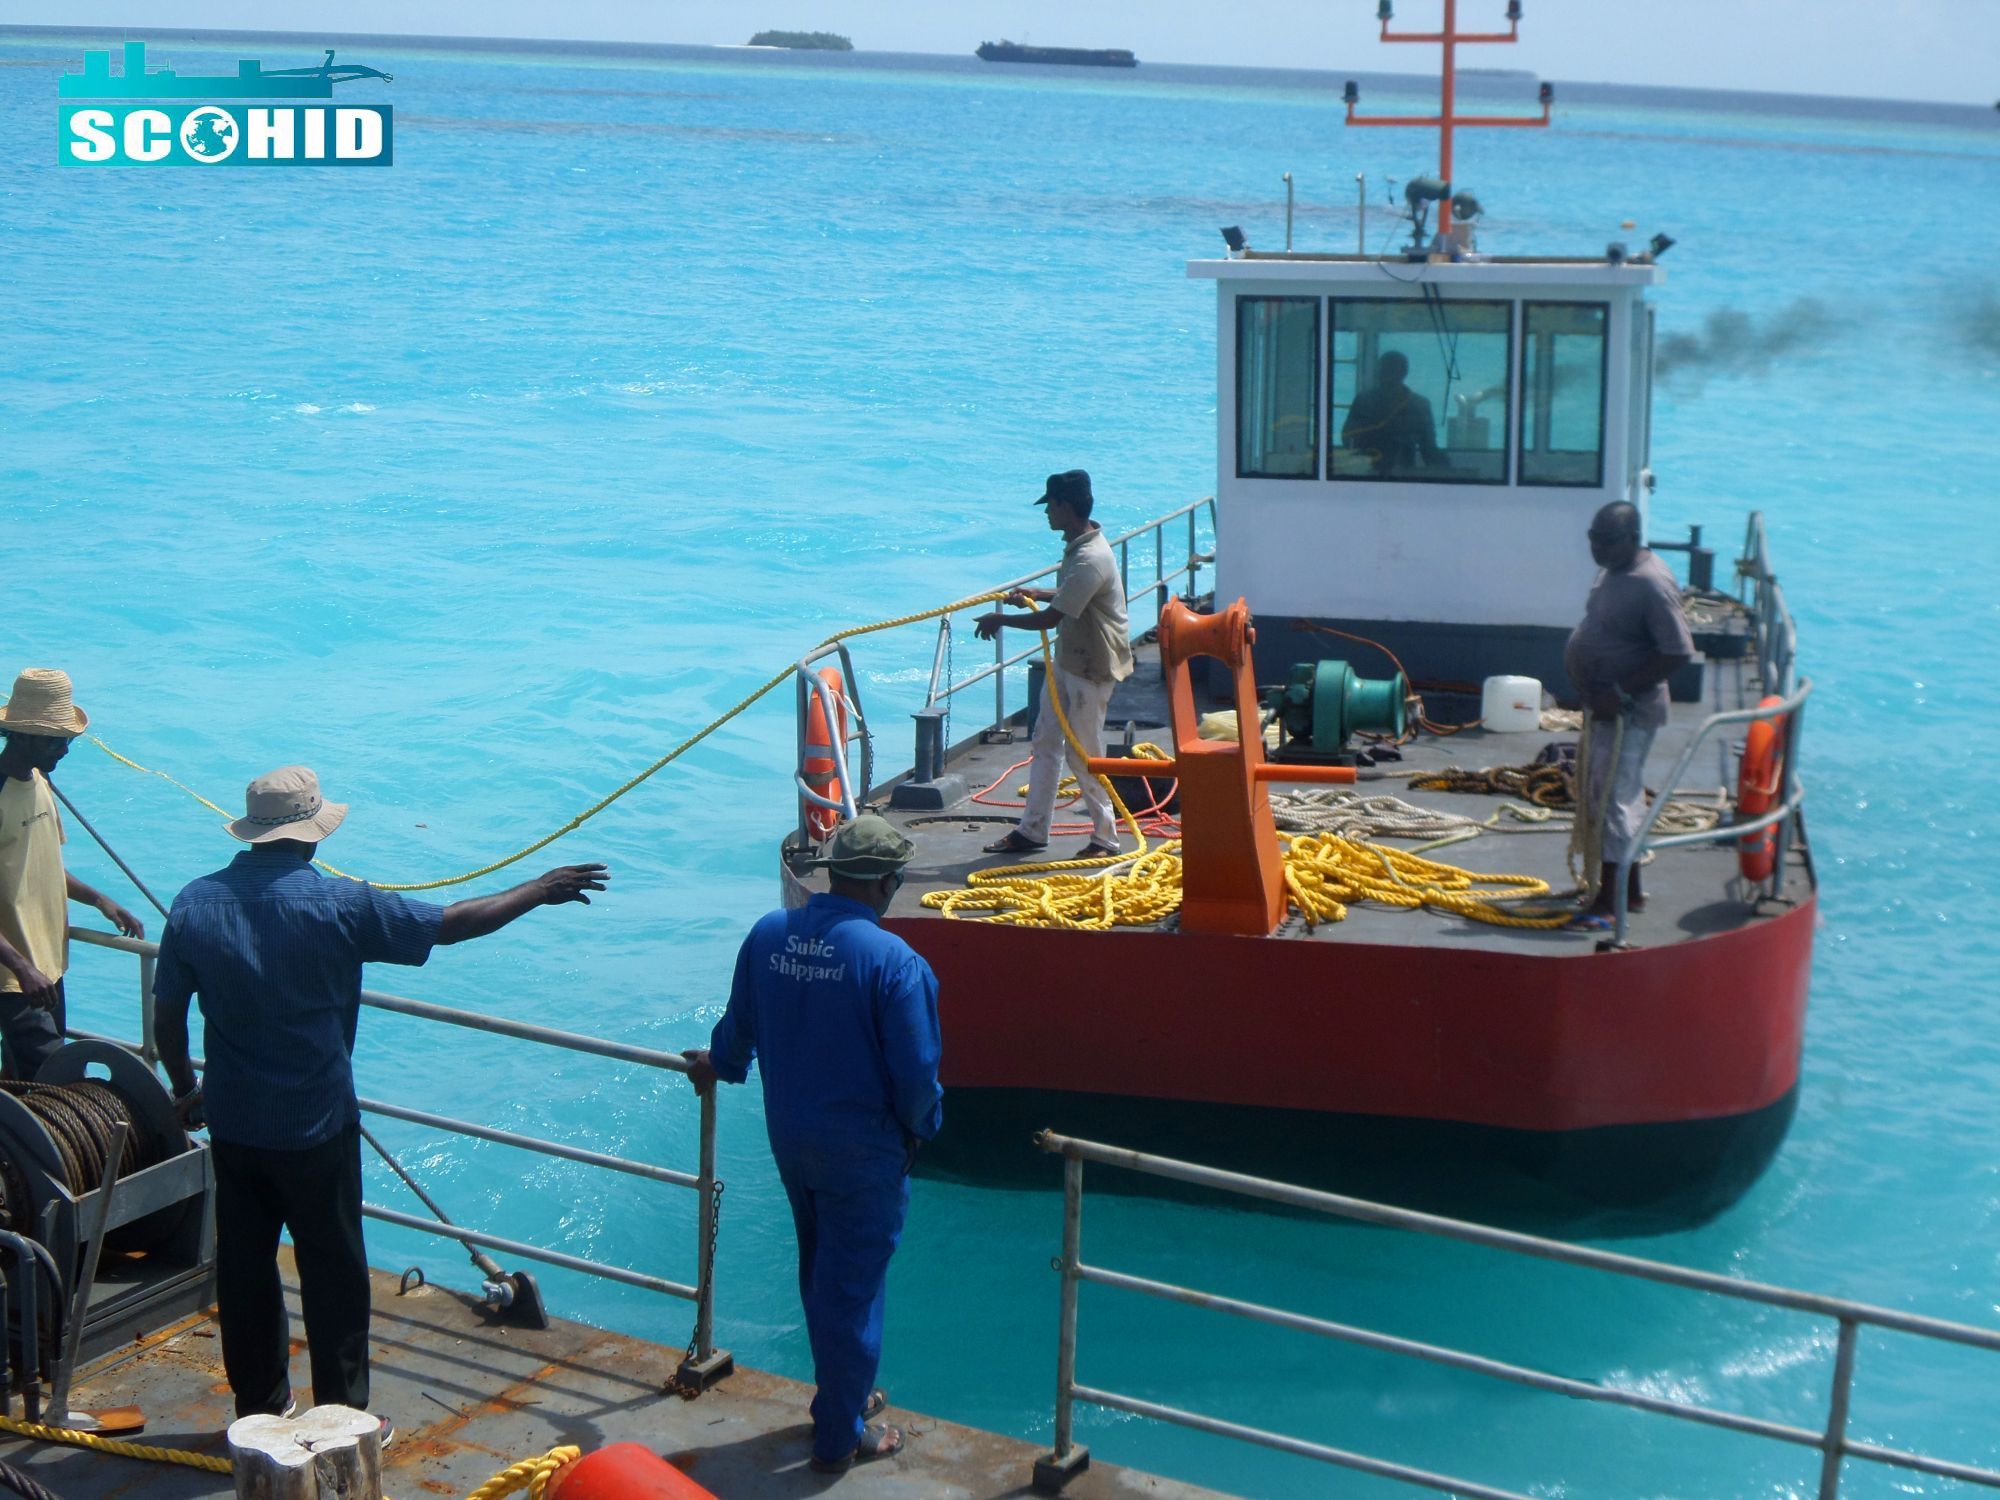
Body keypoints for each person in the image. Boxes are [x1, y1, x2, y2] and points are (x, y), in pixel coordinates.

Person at [152, 764, 608, 1432]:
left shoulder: (195, 903)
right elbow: (451, 924)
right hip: (318, 1126)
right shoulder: (343, 905)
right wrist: (540, 889)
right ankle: (340, 1416)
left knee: (245, 1270)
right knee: (334, 1272)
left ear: (251, 835)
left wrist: (185, 1088)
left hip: (236, 1126)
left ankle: (260, 1410)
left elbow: (167, 1018)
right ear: (312, 836)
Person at [685, 815, 941, 1475]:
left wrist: (716, 1063)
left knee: (822, 1272)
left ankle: (844, 1394)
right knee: (853, 1286)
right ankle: (838, 1436)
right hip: (863, 1152)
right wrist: (923, 1130)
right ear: (888, 882)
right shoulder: (895, 963)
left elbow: (736, 1034)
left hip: (791, 1143)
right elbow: (916, 1078)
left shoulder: (770, 933)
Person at [971, 470, 1135, 859]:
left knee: (1084, 752)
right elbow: (1068, 594)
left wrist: (1000, 620)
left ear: (1066, 506)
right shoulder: (1080, 547)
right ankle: (1033, 830)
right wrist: (1037, 591)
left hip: (1091, 669)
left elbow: (1050, 619)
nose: (1046, 513)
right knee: (1045, 740)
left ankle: (1106, 838)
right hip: (1068, 660)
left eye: (1050, 506)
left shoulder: (1091, 558)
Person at [0, 669, 144, 1080]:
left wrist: (99, 899)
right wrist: (21, 967)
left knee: (25, 1079)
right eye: (56, 740)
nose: (64, 750)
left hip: (47, 965)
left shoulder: (40, 783)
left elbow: (41, 865)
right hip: (13, 975)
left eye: (68, 740)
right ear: (22, 735)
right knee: (54, 1079)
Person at [1563, 502, 1695, 920]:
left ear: (1634, 539)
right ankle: (1628, 892)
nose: (1597, 549)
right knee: (1607, 794)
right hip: (1605, 708)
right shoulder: (1614, 569)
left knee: (1615, 801)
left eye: (1607, 541)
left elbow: (1677, 652)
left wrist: (1618, 691)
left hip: (1629, 713)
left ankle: (1611, 903)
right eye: (1593, 539)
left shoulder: (1651, 583)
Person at [1340, 351, 1445, 475]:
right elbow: (1429, 449)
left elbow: (1348, 438)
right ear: (1405, 373)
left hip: (1372, 473)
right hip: (1397, 474)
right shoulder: (1419, 404)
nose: (1387, 375)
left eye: (1389, 370)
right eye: (1387, 370)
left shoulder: (1364, 400)